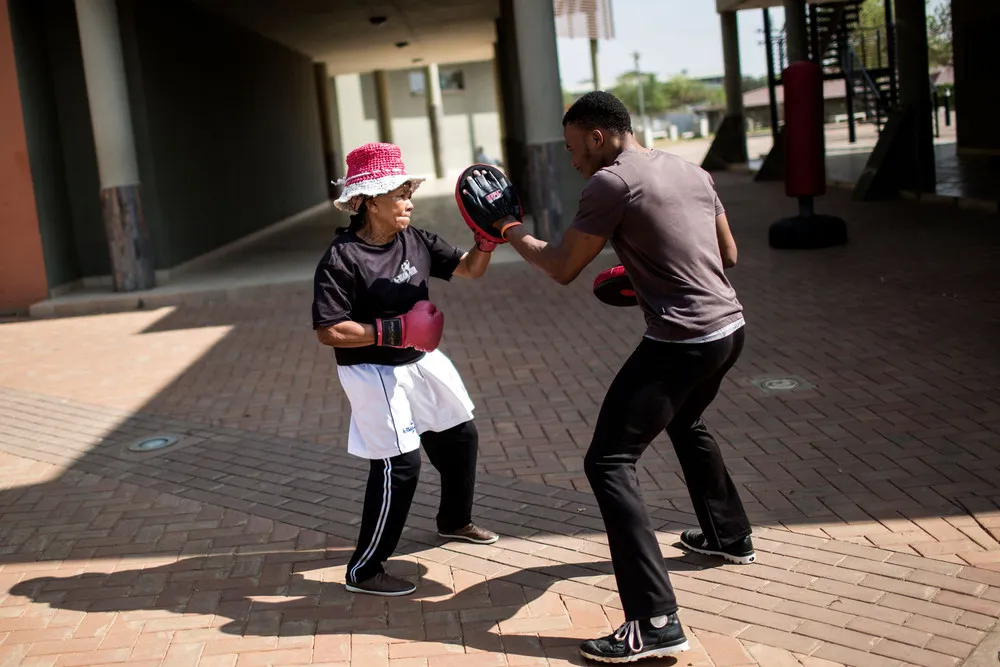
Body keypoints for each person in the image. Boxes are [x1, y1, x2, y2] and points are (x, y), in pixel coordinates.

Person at [469, 91, 754, 662]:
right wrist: (646, 274)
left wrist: (507, 227)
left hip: (682, 342)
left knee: (608, 461)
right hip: (729, 329)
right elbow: (727, 255)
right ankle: (728, 535)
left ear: (598, 136)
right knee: (686, 418)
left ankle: (655, 619)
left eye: (575, 149)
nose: (573, 161)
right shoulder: (687, 168)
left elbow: (561, 266)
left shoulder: (610, 183)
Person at [313, 142, 500, 597]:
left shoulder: (414, 239)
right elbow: (329, 331)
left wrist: (487, 239)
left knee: (459, 435)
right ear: (370, 201)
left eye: (408, 192)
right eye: (399, 194)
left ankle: (454, 520)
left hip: (420, 358)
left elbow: (470, 270)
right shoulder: (342, 258)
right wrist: (392, 330)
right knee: (401, 464)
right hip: (372, 370)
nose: (409, 202)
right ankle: (364, 568)